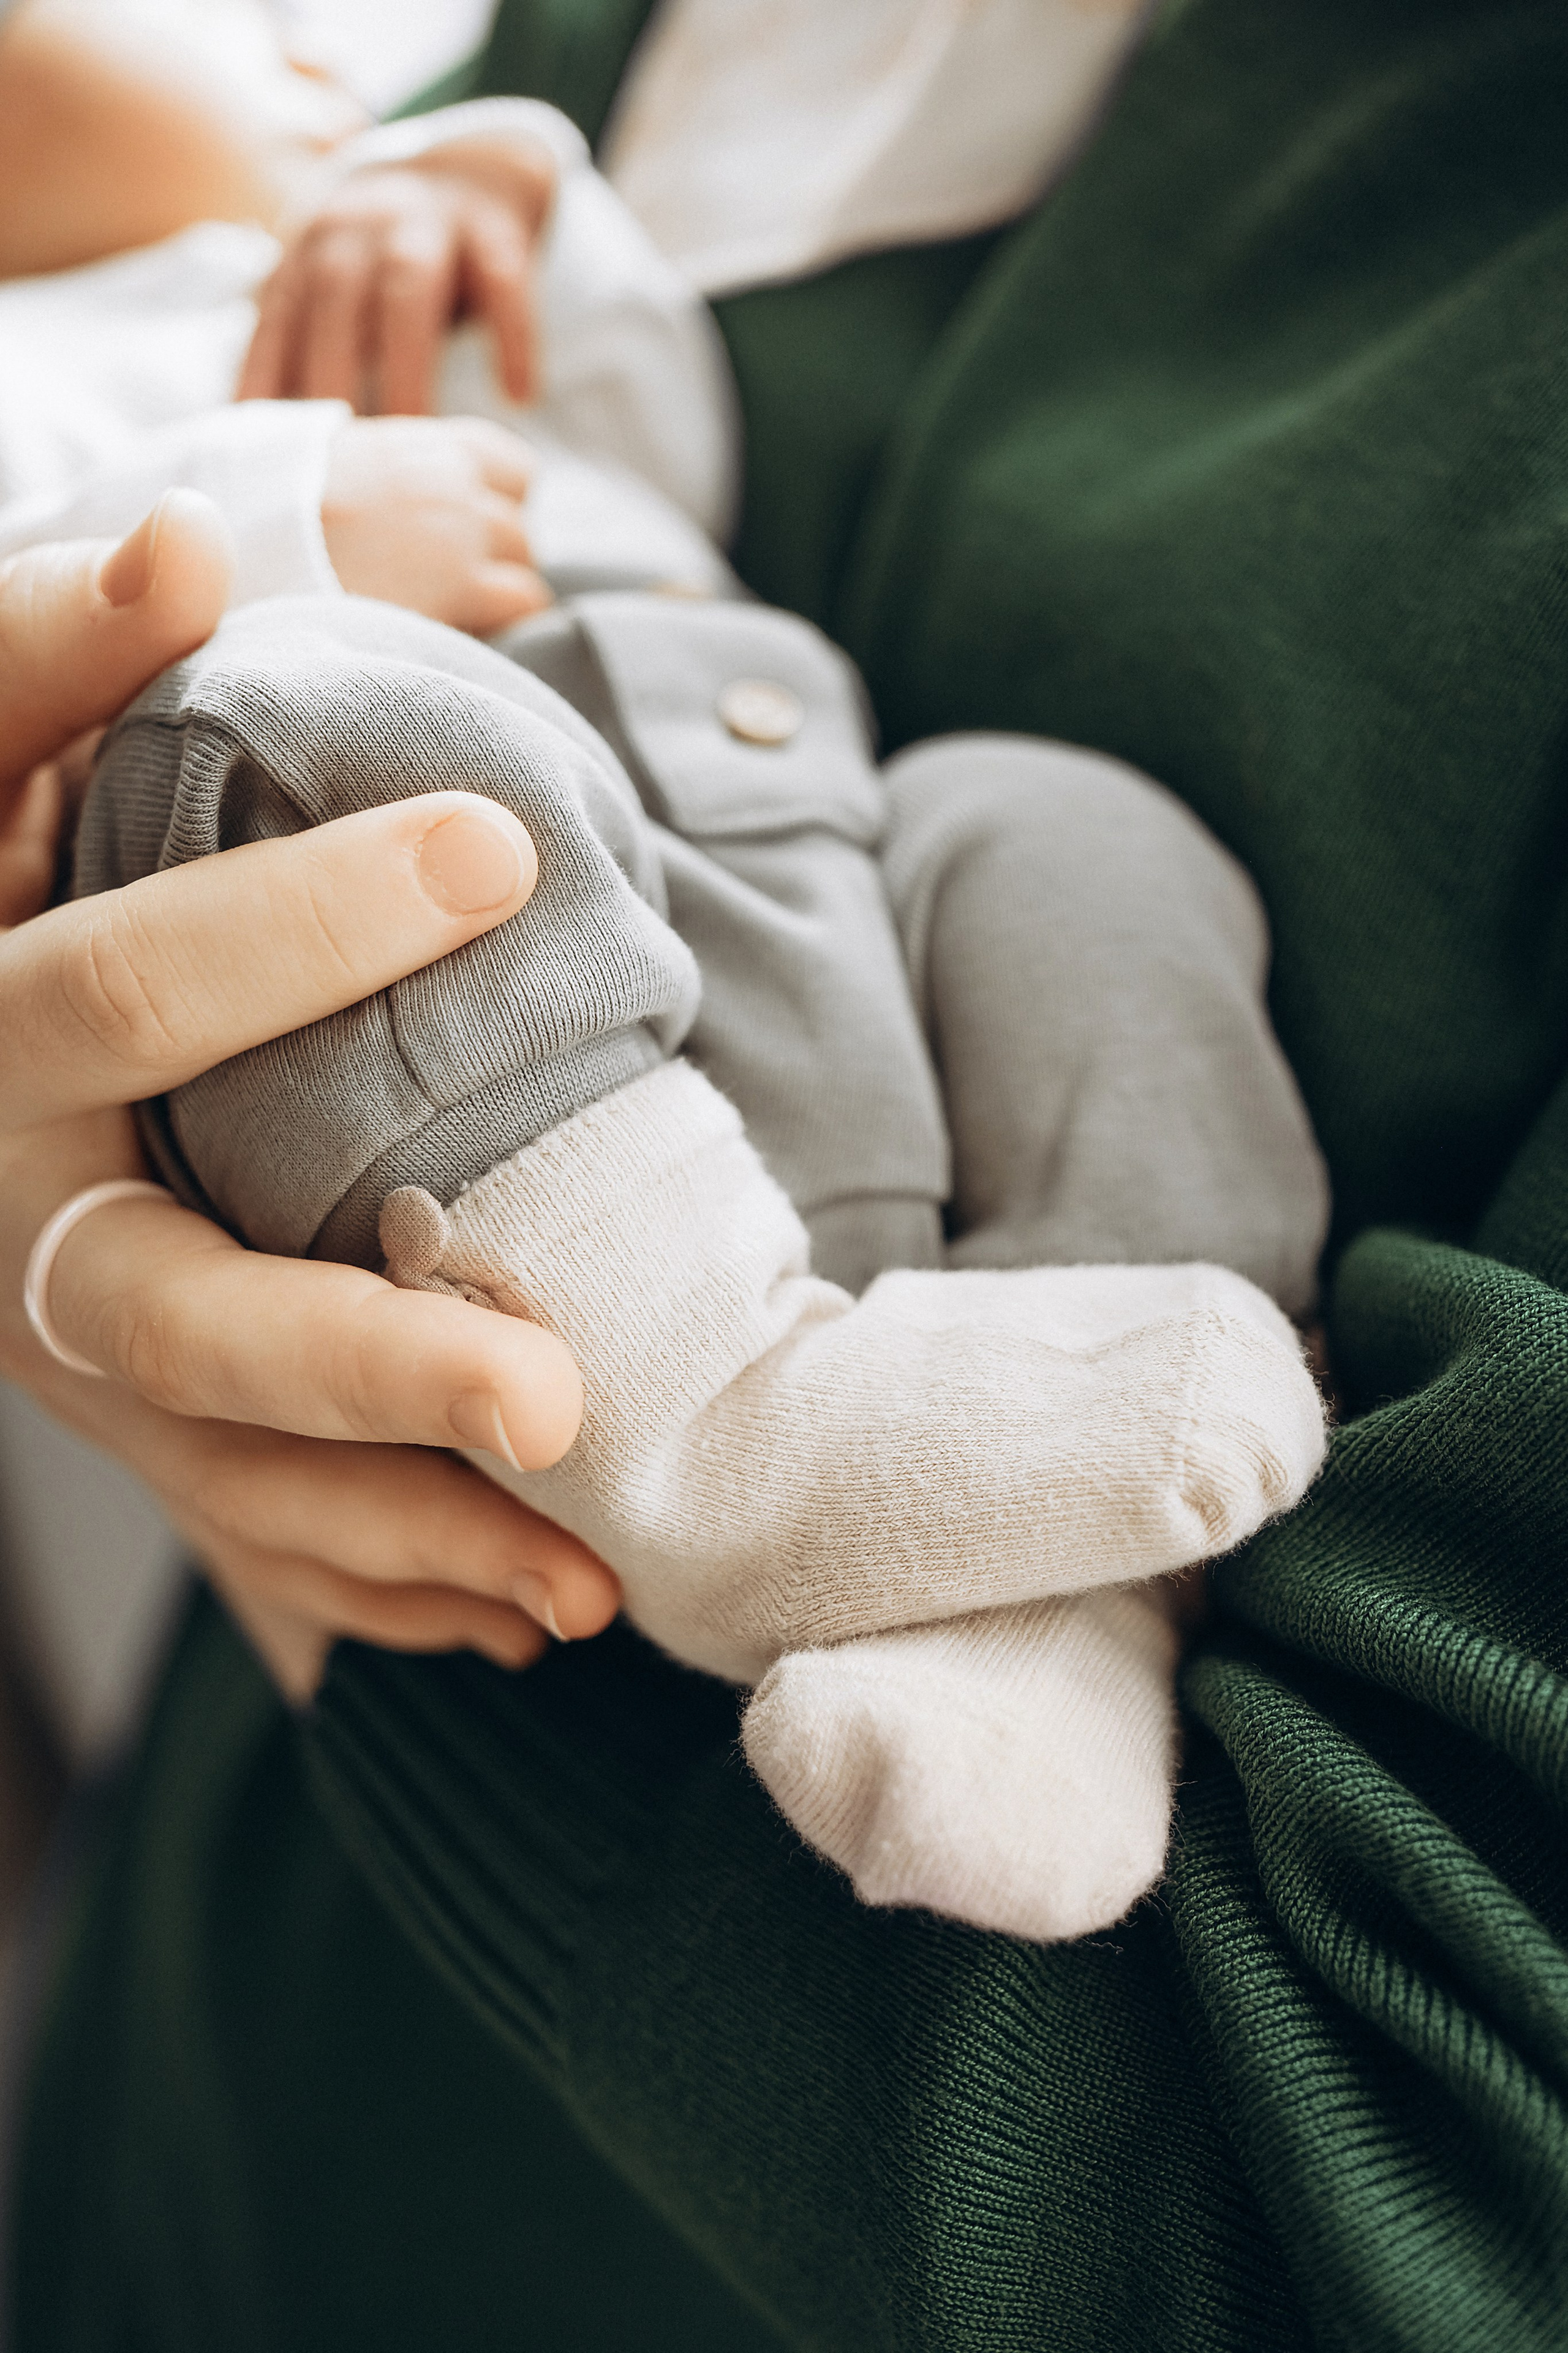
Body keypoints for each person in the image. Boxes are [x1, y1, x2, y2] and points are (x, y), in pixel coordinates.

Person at [9, 1, 1568, 2347]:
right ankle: (733, 1451)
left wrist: (508, 201)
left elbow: (1372, 2228)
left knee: (1067, 838)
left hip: (794, 841)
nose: (261, 66)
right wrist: (277, 520)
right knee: (334, 741)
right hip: (226, 2139)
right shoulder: (79, 361)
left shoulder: (380, 197)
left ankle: (1065, 1587)